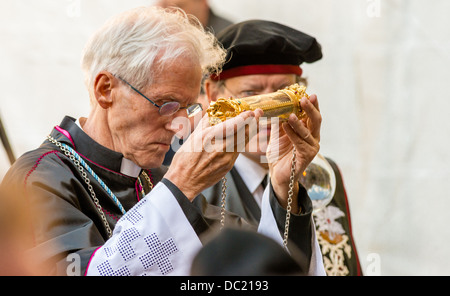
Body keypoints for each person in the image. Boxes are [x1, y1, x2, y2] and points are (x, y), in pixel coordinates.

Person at [0, 7, 324, 276]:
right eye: (166, 104)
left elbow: (257, 272)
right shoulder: (41, 179)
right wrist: (179, 188)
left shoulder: (154, 176)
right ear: (105, 90)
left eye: (187, 107)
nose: (180, 124)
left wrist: (284, 188)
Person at [202, 20, 362, 276]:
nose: (269, 113)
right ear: (214, 96)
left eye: (283, 95)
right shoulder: (197, 181)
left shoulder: (322, 174)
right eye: (251, 94)